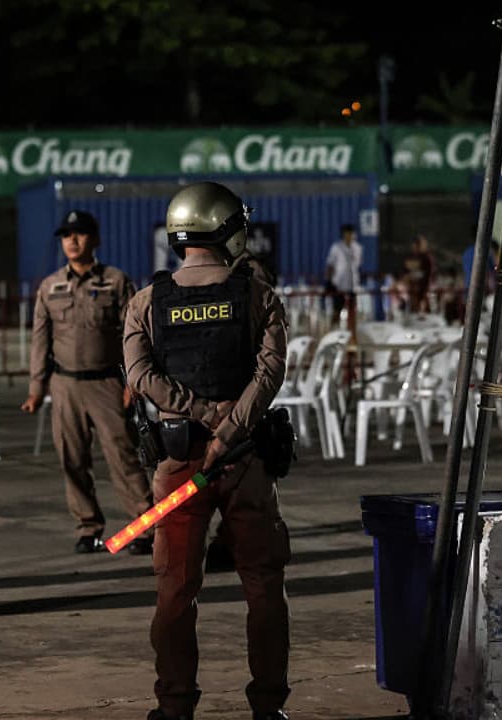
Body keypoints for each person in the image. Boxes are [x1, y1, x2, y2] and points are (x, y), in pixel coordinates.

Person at [124, 182, 291, 720]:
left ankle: (174, 708)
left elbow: (139, 376)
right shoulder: (257, 291)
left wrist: (197, 412)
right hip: (245, 460)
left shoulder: (146, 301)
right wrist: (229, 424)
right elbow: (271, 371)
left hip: (177, 465)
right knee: (263, 585)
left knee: (175, 590)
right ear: (224, 227)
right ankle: (268, 708)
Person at [21, 210, 153, 555]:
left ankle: (145, 527)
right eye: (67, 236)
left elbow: (134, 335)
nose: (73, 241)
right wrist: (37, 388)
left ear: (95, 240)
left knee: (123, 456)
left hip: (107, 383)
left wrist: (134, 382)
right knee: (72, 458)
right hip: (65, 385)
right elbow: (40, 340)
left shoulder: (116, 281)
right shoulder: (50, 287)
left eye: (79, 235)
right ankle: (89, 527)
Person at [324, 223, 362, 321]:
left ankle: (351, 332)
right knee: (337, 309)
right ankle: (334, 330)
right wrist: (328, 281)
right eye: (347, 233)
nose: (349, 236)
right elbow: (330, 265)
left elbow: (357, 265)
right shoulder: (336, 248)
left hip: (353, 285)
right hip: (339, 284)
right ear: (343, 234)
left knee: (352, 310)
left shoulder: (357, 248)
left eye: (351, 233)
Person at [402, 234, 436, 313]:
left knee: (425, 310)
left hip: (425, 289)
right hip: (413, 290)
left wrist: (426, 288)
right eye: (414, 246)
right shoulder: (411, 257)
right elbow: (405, 272)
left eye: (417, 245)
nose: (415, 248)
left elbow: (429, 274)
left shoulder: (427, 258)